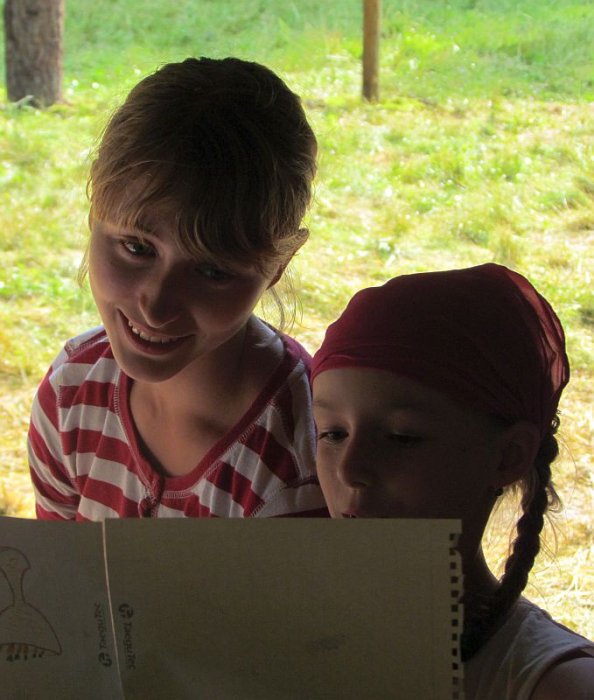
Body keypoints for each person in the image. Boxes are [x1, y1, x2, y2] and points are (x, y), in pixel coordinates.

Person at [28, 57, 328, 520]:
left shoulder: (300, 460)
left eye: (213, 272)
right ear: (95, 210)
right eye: (137, 247)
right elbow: (57, 563)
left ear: (278, 266)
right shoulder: (71, 392)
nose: (156, 305)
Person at [310, 263, 594, 699]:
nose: (350, 469)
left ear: (508, 456)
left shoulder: (553, 684)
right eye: (333, 433)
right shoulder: (263, 624)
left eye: (402, 438)